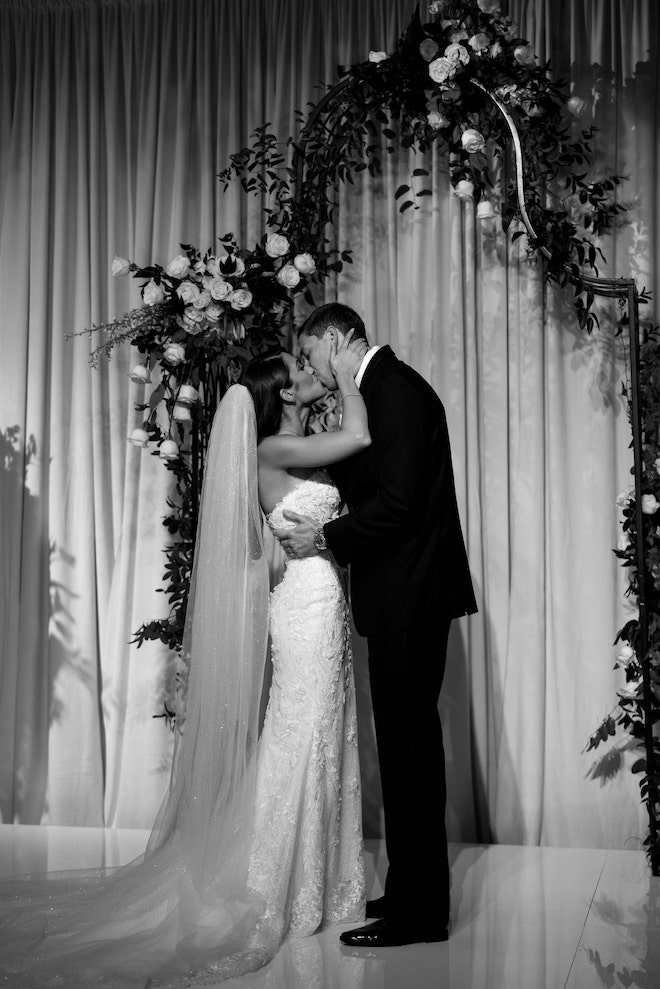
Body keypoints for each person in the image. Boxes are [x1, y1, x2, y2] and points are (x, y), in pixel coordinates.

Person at [0, 337, 369, 987]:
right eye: (300, 370)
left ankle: (323, 874)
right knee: (299, 735)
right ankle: (275, 877)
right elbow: (360, 436)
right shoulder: (274, 449)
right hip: (305, 613)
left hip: (320, 602)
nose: (310, 374)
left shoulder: (286, 447)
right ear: (283, 392)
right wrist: (349, 372)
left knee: (318, 732)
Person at [274, 301, 477, 948]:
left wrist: (325, 533)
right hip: (406, 594)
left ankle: (419, 912)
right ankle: (410, 889)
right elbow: (377, 480)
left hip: (410, 595)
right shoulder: (383, 390)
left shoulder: (394, 390)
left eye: (311, 355)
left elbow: (397, 502)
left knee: (410, 751)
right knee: (404, 751)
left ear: (337, 340)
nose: (312, 369)